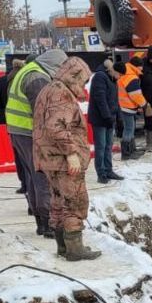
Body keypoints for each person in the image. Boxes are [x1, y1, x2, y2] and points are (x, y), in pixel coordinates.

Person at [33, 57, 101, 261]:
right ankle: (75, 249)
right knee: (75, 201)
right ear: (74, 76)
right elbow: (57, 127)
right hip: (62, 160)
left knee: (58, 201)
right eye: (83, 80)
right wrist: (72, 154)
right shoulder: (61, 94)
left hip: (48, 158)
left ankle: (62, 246)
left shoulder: (48, 89)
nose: (84, 85)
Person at [6, 49, 68, 238]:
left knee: (32, 176)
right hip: (29, 132)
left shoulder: (27, 70)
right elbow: (42, 114)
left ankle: (41, 222)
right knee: (43, 175)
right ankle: (48, 222)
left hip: (18, 130)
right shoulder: (38, 78)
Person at [0, 58, 26, 195]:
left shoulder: (1, 82)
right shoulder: (25, 79)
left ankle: (24, 184)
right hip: (29, 124)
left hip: (12, 123)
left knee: (19, 155)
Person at [89, 60, 124, 183]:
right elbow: (100, 99)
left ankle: (108, 170)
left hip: (110, 119)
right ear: (115, 71)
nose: (120, 78)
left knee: (108, 146)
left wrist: (119, 118)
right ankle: (101, 173)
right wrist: (107, 117)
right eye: (120, 75)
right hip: (100, 119)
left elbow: (115, 101)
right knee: (101, 146)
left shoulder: (113, 80)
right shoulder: (100, 77)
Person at [115, 60, 150, 158]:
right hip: (128, 107)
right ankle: (127, 153)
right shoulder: (131, 77)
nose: (142, 68)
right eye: (141, 66)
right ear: (136, 66)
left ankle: (131, 150)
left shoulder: (127, 74)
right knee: (129, 129)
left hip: (125, 106)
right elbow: (136, 95)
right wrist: (144, 104)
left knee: (130, 128)